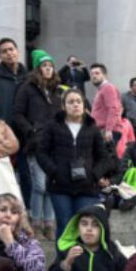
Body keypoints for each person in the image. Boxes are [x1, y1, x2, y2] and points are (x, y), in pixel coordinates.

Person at [36, 86, 115, 230]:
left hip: (86, 187)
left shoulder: (92, 127)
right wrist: (54, 171)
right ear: (63, 106)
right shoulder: (53, 126)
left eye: (79, 101)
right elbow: (41, 152)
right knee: (65, 226)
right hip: (60, 187)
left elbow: (104, 157)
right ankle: (63, 254)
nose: (75, 105)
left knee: (83, 227)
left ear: (84, 105)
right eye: (71, 102)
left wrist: (94, 175)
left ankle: (81, 254)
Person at [12, 49, 63, 238]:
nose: (48, 69)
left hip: (55, 143)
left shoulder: (57, 89)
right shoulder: (27, 88)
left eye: (50, 66)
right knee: (39, 185)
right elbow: (18, 113)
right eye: (44, 66)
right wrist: (30, 130)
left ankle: (49, 224)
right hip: (36, 142)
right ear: (37, 68)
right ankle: (35, 222)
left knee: (51, 184)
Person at [45, 202, 127, 271]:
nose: (89, 229)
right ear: (77, 228)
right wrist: (66, 265)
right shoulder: (69, 252)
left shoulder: (114, 255)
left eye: (95, 225)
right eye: (84, 224)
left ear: (103, 229)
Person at [89, 62, 122, 145]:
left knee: (106, 157)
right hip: (103, 130)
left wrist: (108, 130)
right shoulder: (101, 89)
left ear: (105, 75)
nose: (94, 76)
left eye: (97, 73)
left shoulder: (108, 87)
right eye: (92, 74)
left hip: (107, 132)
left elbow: (113, 109)